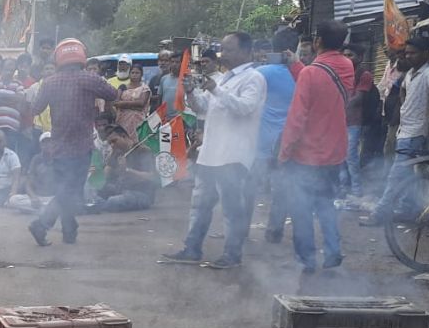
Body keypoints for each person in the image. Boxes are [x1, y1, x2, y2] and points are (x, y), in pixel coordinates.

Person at [162, 32, 266, 269]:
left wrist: (216, 90)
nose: (223, 54)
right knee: (200, 204)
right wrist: (190, 92)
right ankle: (192, 248)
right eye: (224, 49)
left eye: (229, 50)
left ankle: (232, 256)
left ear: (245, 52)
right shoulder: (226, 78)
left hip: (233, 154)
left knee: (231, 208)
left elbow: (245, 108)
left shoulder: (254, 78)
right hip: (211, 152)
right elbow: (203, 108)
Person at [278, 21, 355, 272]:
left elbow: (297, 117)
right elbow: (321, 81)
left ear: (318, 41)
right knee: (325, 203)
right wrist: (296, 65)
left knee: (301, 209)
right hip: (335, 151)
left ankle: (307, 260)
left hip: (306, 154)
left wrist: (284, 151)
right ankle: (333, 250)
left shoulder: (311, 73)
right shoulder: (347, 65)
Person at [27, 38, 120, 246]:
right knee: (70, 190)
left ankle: (70, 230)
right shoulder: (89, 79)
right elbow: (112, 94)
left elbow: (35, 109)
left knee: (66, 188)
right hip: (81, 146)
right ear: (81, 56)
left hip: (58, 146)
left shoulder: (49, 82)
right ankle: (42, 224)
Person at [362, 36, 429, 226]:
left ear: (424, 54)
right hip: (404, 131)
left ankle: (381, 213)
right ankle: (409, 210)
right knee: (407, 175)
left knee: (396, 174)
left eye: (412, 53)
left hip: (415, 133)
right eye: (407, 53)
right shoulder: (410, 74)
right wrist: (403, 108)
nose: (408, 56)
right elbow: (403, 92)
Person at [244, 32, 298, 244]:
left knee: (249, 187)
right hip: (287, 142)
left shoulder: (261, 72)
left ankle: (242, 230)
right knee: (281, 188)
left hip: (262, 141)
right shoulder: (300, 73)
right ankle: (274, 232)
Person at [87, 125, 157, 213]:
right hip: (121, 190)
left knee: (114, 201)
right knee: (93, 189)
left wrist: (127, 170)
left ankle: (96, 206)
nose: (112, 145)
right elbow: (104, 177)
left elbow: (151, 177)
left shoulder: (143, 151)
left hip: (141, 193)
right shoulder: (117, 153)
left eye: (114, 141)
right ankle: (94, 204)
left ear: (123, 136)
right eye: (110, 143)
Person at [338, 46, 374, 198]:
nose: (347, 58)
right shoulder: (342, 73)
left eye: (350, 55)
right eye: (344, 55)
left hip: (354, 121)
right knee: (340, 156)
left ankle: (356, 188)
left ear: (359, 57)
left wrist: (339, 104)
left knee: (350, 156)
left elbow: (359, 98)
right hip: (340, 121)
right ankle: (343, 187)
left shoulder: (364, 74)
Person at [9, 132, 59, 212]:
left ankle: (38, 210)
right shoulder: (36, 159)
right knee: (13, 200)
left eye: (50, 142)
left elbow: (64, 184)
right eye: (45, 143)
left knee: (65, 202)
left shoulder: (59, 159)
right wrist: (33, 197)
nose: (48, 145)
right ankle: (46, 211)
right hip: (37, 197)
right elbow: (28, 183)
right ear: (41, 146)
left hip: (52, 198)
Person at [113, 64, 151, 138]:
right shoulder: (123, 87)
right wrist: (134, 106)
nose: (134, 75)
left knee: (137, 141)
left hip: (138, 122)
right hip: (122, 121)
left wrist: (123, 104)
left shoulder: (144, 88)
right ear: (129, 74)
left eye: (137, 73)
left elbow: (141, 104)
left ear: (141, 74)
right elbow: (116, 102)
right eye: (132, 73)